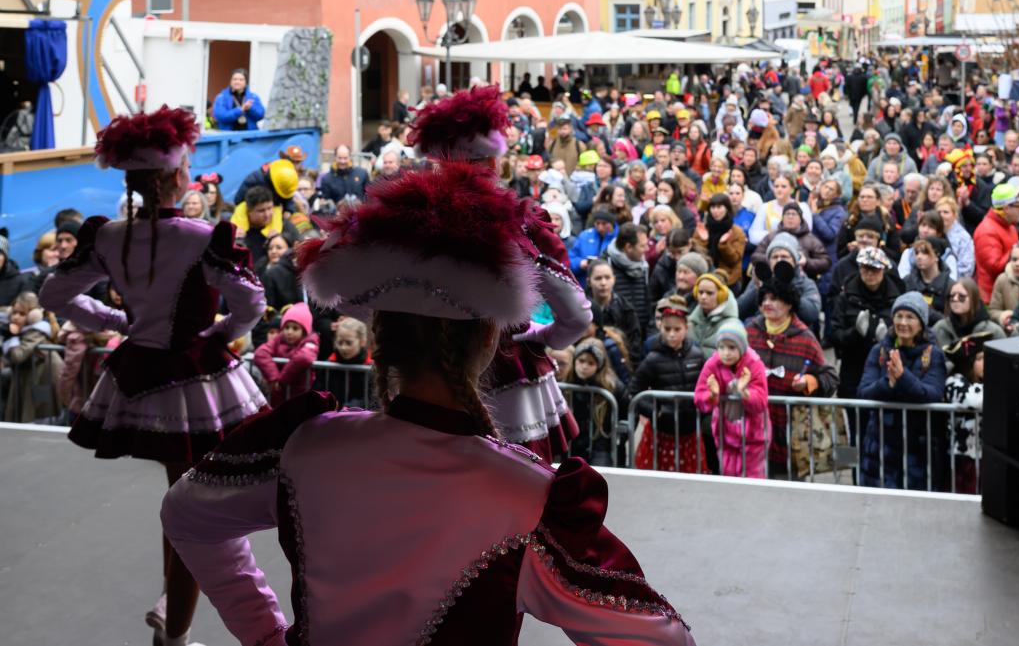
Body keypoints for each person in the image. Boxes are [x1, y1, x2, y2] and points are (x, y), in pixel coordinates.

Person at [163, 161, 695, 646]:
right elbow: (664, 640)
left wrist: (263, 635)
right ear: (489, 341)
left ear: (378, 338)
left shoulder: (303, 443)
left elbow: (185, 513)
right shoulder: (527, 493)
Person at [39, 105, 267, 646]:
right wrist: (221, 332)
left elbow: (55, 295)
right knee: (191, 507)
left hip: (137, 371)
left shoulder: (108, 234)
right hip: (194, 377)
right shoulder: (201, 235)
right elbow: (250, 302)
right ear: (173, 177)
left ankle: (175, 616)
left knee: (180, 501)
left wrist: (119, 320)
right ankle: (175, 628)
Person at [407, 86, 591, 460]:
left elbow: (353, 299)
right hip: (509, 373)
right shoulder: (524, 225)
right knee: (519, 494)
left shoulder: (409, 222)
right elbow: (575, 315)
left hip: (425, 375)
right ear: (494, 164)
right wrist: (539, 336)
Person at [745, 261, 837, 478]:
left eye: (774, 298)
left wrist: (809, 383)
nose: (767, 303)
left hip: (790, 434)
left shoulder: (805, 338)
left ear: (788, 304)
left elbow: (830, 377)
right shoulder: (750, 333)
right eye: (764, 298)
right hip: (753, 431)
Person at [857, 292, 947, 491]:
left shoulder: (933, 355)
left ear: (921, 323)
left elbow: (932, 394)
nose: (903, 322)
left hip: (917, 448)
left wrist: (902, 376)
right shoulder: (878, 351)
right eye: (899, 316)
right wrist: (888, 383)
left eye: (910, 317)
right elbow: (863, 392)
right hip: (880, 446)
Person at [628, 294, 708, 473]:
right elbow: (634, 391)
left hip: (690, 431)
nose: (672, 334)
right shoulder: (652, 359)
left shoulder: (698, 355)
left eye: (677, 329)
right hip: (661, 433)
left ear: (686, 328)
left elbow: (706, 387)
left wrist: (702, 411)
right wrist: (655, 413)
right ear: (660, 328)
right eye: (667, 328)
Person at [694, 319, 770, 478]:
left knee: (752, 480)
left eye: (731, 347)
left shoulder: (754, 363)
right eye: (721, 347)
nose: (725, 353)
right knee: (728, 478)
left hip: (754, 436)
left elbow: (761, 401)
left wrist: (744, 393)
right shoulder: (712, 363)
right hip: (725, 434)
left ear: (741, 348)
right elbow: (700, 396)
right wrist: (713, 395)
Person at [827, 246, 903, 403]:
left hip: (886, 368)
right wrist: (855, 333)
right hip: (853, 367)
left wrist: (888, 338)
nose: (869, 273)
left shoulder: (897, 297)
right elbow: (834, 333)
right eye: (865, 268)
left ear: (883, 269)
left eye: (874, 269)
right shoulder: (846, 296)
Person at [559, 337, 628, 467]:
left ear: (599, 365)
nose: (584, 366)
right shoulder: (566, 382)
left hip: (602, 447)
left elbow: (628, 414)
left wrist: (619, 439)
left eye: (591, 363)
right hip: (572, 445)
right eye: (581, 361)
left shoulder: (613, 387)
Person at [2, 292, 62, 422]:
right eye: (14, 312)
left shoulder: (36, 331)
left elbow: (18, 355)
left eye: (22, 314)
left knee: (40, 421)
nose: (16, 317)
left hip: (45, 379)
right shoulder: (22, 330)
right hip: (32, 377)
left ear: (33, 316)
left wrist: (11, 337)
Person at [943, 332, 990, 494]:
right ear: (968, 363)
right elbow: (975, 400)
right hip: (963, 458)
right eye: (979, 359)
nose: (986, 362)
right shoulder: (954, 381)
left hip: (988, 457)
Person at [252, 302, 320, 406]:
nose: (289, 332)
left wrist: (282, 380)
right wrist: (274, 378)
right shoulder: (278, 339)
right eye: (286, 327)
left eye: (295, 328)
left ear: (304, 331)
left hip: (299, 397)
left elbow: (304, 357)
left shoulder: (311, 340)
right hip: (277, 395)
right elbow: (261, 353)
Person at [932, 279, 1006, 371]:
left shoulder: (993, 331)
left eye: (961, 296)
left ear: (974, 299)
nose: (955, 299)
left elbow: (1004, 364)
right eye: (952, 296)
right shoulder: (939, 328)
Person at [973, 182, 1019, 303]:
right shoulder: (987, 231)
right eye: (1018, 206)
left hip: (1007, 294)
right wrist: (1016, 251)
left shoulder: (1009, 226)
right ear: (1006, 208)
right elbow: (994, 268)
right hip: (992, 299)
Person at [587, 259, 642, 366]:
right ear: (589, 282)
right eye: (598, 278)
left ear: (614, 279)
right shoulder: (580, 308)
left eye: (607, 278)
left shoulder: (626, 309)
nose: (603, 283)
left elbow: (635, 343)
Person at [988, 242, 1019, 332]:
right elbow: (993, 310)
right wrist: (1002, 316)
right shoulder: (1002, 279)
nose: (1017, 264)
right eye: (1014, 259)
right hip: (1007, 332)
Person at [687, 271, 740, 352]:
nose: (703, 297)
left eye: (709, 293)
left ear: (721, 296)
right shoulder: (689, 322)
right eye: (700, 292)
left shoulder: (732, 325)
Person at [232, 186, 280, 270]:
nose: (267, 214)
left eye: (270, 208)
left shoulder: (283, 227)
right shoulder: (236, 234)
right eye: (261, 210)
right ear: (249, 211)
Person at [234, 158, 300, 215]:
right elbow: (238, 201)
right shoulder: (254, 180)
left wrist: (289, 210)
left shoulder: (287, 180)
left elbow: (288, 198)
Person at [569, 209, 618, 285]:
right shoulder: (585, 236)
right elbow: (570, 259)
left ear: (612, 223)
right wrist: (580, 263)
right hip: (585, 284)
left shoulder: (619, 238)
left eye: (604, 224)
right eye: (597, 223)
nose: (600, 227)